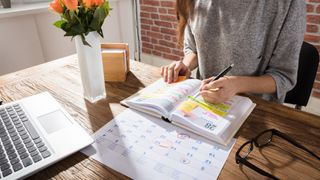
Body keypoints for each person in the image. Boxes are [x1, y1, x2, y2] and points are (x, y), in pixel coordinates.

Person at [160, 0, 306, 104]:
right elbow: (194, 48)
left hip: (255, 109)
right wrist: (185, 66)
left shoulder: (289, 4)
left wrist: (237, 85)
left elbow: (283, 77)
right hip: (203, 102)